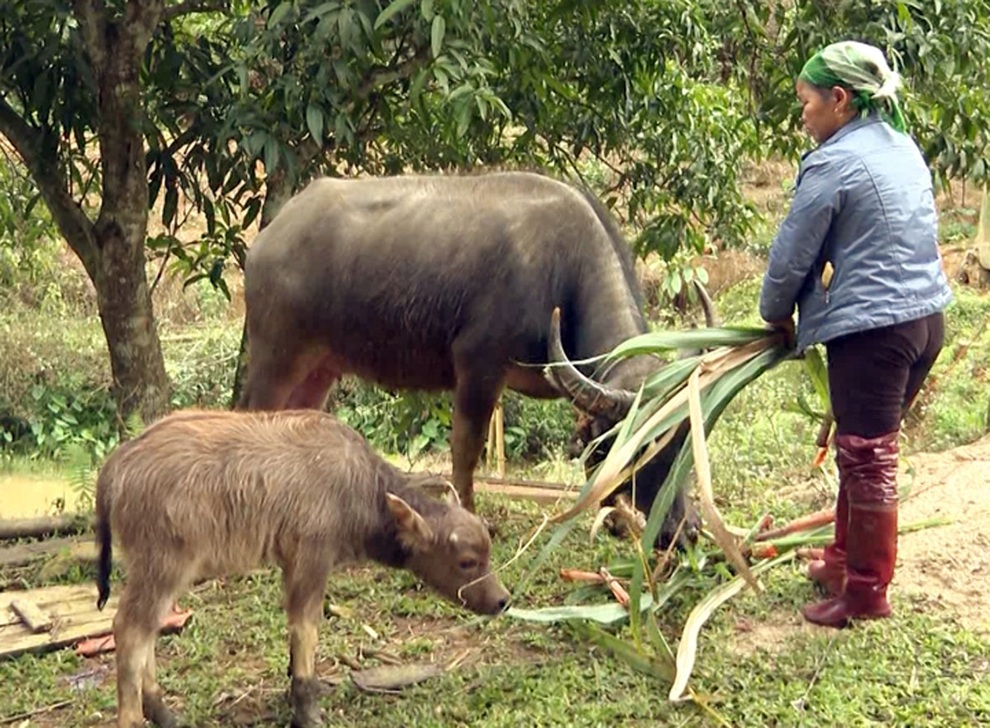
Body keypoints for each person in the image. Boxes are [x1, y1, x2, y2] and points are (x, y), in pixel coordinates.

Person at [759, 40, 953, 629]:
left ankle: (867, 592)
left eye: (807, 102)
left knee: (868, 459)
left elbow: (794, 253)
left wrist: (775, 315)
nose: (803, 115)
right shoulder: (902, 147)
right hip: (926, 323)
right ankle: (844, 560)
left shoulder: (833, 162)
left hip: (875, 334)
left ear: (840, 100)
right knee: (861, 449)